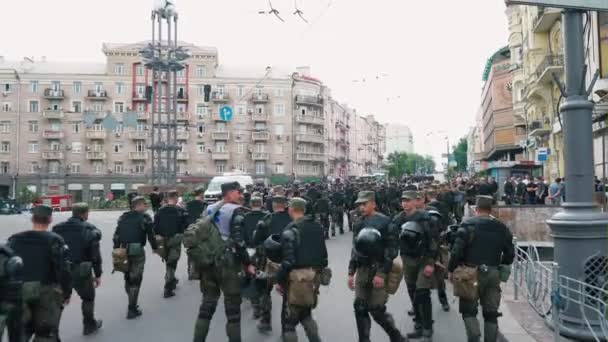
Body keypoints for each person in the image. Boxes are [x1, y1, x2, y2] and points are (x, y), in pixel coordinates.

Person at [193, 182, 255, 342]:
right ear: (230, 193)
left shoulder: (208, 209)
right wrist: (247, 263)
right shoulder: (235, 211)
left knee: (206, 306)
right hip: (228, 264)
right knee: (233, 311)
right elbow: (239, 242)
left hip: (208, 262)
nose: (240, 195)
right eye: (238, 192)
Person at [448, 196, 515, 342]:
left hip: (470, 274)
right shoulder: (501, 227)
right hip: (493, 272)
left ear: (476, 209)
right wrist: (501, 265)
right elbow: (510, 253)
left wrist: (451, 269)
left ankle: (474, 338)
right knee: (491, 313)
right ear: (490, 210)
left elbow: (456, 251)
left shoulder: (468, 225)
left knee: (469, 310)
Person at [8, 205, 72, 341]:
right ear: (50, 220)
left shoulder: (14, 240)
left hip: (20, 291)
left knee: (21, 331)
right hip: (46, 291)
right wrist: (66, 292)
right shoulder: (56, 240)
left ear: (32, 219)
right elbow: (64, 270)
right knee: (45, 333)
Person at [348, 191, 405, 342]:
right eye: (359, 204)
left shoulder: (386, 222)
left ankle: (396, 336)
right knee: (359, 307)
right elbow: (355, 249)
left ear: (373, 203)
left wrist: (381, 273)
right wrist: (350, 272)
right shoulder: (358, 223)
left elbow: (392, 250)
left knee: (376, 309)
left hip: (380, 268)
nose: (361, 207)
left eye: (364, 204)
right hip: (362, 270)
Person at [276, 197, 328, 342]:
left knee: (289, 322)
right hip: (313, 277)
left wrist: (279, 280)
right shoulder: (317, 226)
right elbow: (324, 255)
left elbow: (288, 261)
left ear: (291, 209)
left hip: (297, 279)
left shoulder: (291, 229)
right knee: (305, 314)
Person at [52, 203, 103, 335]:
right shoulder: (89, 230)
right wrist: (98, 274)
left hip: (61, 270)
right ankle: (89, 325)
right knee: (88, 298)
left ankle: (51, 333)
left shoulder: (57, 228)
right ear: (85, 213)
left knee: (59, 302)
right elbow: (95, 255)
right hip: (80, 271)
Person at [395, 191, 438, 341]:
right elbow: (391, 237)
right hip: (407, 260)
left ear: (415, 201)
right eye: (403, 201)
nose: (405, 203)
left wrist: (430, 263)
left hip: (423, 259)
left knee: (422, 292)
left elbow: (433, 242)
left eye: (408, 200)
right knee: (413, 292)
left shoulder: (425, 219)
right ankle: (418, 325)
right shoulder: (398, 219)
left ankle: (427, 328)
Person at [113, 196, 158, 319]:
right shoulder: (145, 218)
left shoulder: (123, 217)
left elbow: (116, 235)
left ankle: (132, 301)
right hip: (137, 250)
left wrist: (116, 249)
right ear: (137, 205)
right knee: (136, 279)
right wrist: (155, 247)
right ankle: (132, 308)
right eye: (144, 204)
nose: (146, 206)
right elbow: (151, 235)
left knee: (128, 276)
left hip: (123, 251)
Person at [254, 194, 292, 332]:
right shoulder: (292, 219)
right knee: (288, 293)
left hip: (269, 262)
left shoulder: (267, 220)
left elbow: (256, 239)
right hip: (289, 262)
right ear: (285, 205)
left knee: (265, 290)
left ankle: (266, 321)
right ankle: (287, 325)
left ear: (274, 205)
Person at [154, 190, 189, 298]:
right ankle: (168, 288)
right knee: (172, 263)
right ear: (175, 197)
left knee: (168, 261)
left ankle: (172, 279)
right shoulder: (181, 211)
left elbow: (155, 227)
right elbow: (186, 226)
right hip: (175, 239)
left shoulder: (159, 211)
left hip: (162, 240)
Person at [0, 244, 23, 342]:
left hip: (7, 297)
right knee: (15, 333)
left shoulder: (6, 252)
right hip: (9, 297)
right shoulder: (7, 251)